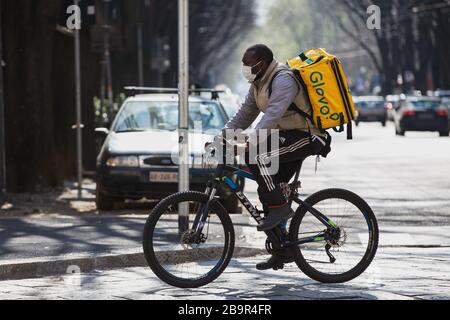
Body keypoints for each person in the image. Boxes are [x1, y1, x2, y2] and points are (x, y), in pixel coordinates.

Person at [223, 44, 331, 270]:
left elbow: (271, 116)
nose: (245, 68)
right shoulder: (257, 83)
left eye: (248, 63)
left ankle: (281, 207)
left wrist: (250, 143)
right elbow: (244, 115)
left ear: (262, 63)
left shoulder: (283, 80)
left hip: (308, 136)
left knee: (257, 158)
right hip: (285, 137)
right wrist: (221, 137)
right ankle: (282, 248)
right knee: (267, 188)